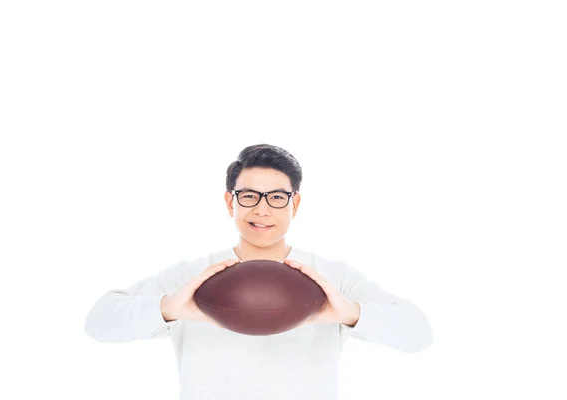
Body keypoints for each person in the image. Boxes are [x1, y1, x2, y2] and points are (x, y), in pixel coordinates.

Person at [84, 143, 433, 400]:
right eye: (249, 195)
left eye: (277, 197)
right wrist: (171, 309)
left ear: (294, 203)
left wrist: (349, 313)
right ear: (229, 202)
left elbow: (419, 334)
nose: (262, 209)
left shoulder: (331, 278)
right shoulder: (192, 278)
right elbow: (98, 323)